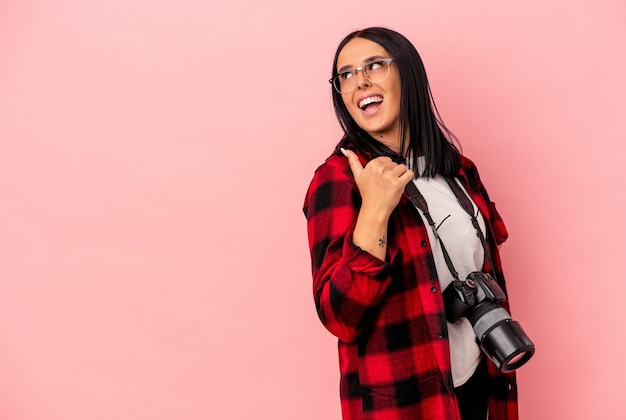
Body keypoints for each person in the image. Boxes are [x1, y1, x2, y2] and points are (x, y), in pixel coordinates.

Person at [303, 27, 520, 420]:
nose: (360, 82)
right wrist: (374, 212)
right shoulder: (338, 179)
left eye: (374, 66)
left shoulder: (458, 171)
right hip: (406, 399)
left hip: (479, 384)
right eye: (346, 75)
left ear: (408, 74)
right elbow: (340, 317)